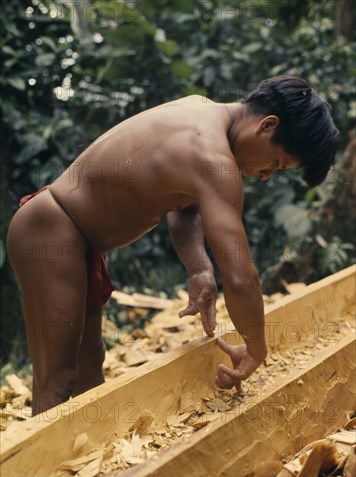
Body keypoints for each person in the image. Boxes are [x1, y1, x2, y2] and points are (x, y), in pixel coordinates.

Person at [7, 75, 339, 415]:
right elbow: (240, 277)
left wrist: (200, 268)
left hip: (76, 240)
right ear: (268, 126)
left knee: (88, 370)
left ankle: (78, 464)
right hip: (51, 229)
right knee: (58, 381)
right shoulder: (212, 157)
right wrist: (256, 348)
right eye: (276, 163)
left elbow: (182, 209)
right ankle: (33, 469)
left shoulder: (201, 112)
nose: (266, 174)